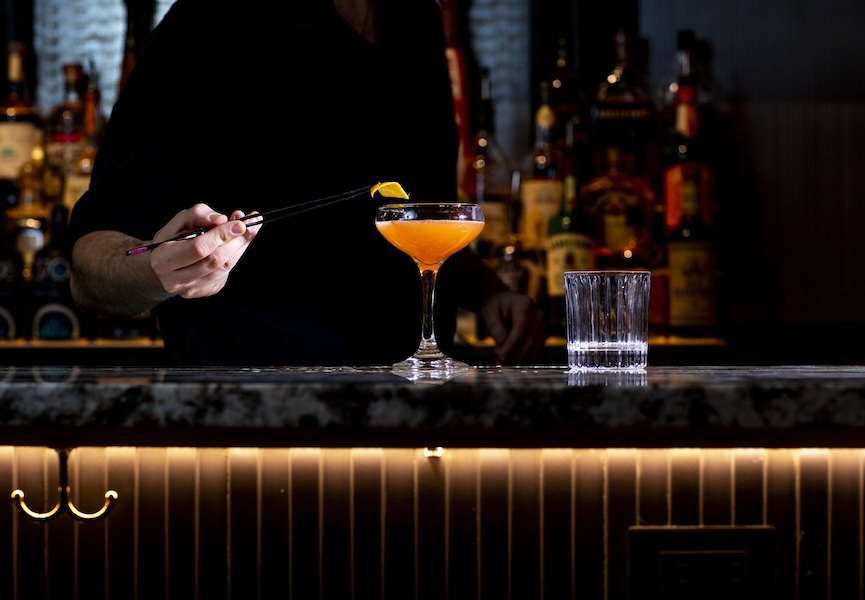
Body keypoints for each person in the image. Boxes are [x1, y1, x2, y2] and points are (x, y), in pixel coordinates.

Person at [67, 0, 544, 367]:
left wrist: (487, 292)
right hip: (256, 421)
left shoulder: (414, 17)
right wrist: (162, 270)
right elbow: (91, 272)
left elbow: (407, 209)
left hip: (413, 409)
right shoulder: (212, 19)